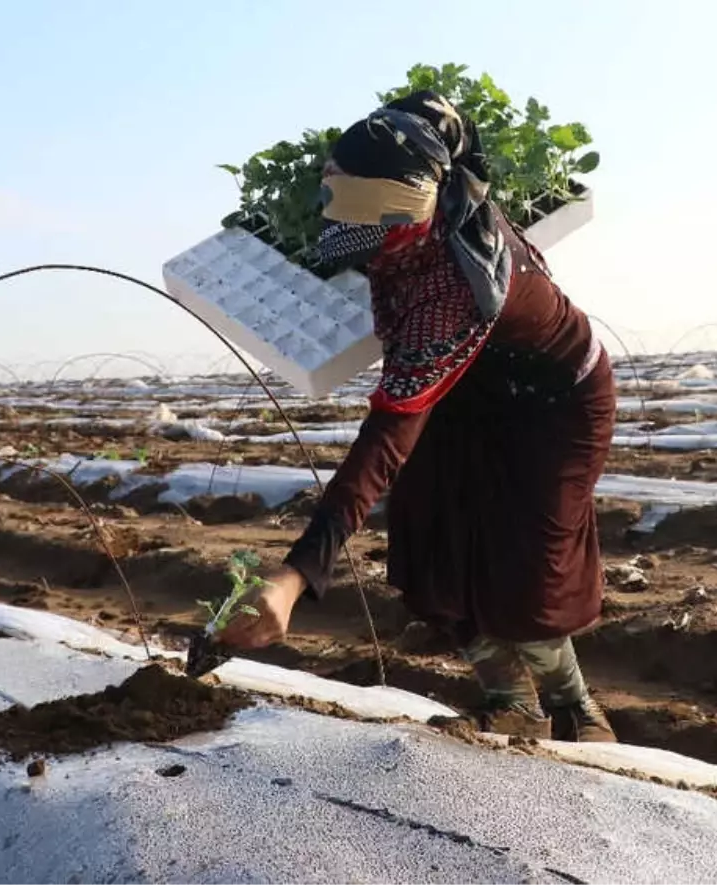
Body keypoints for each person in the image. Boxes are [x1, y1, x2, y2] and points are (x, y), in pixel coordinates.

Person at [217, 91, 617, 742]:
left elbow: (386, 439)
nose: (334, 214)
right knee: (436, 538)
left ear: (397, 203)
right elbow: (432, 114)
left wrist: (297, 574)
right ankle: (512, 702)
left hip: (555, 409)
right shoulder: (416, 218)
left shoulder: (453, 290)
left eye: (345, 196)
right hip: (469, 396)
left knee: (524, 571)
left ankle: (580, 712)